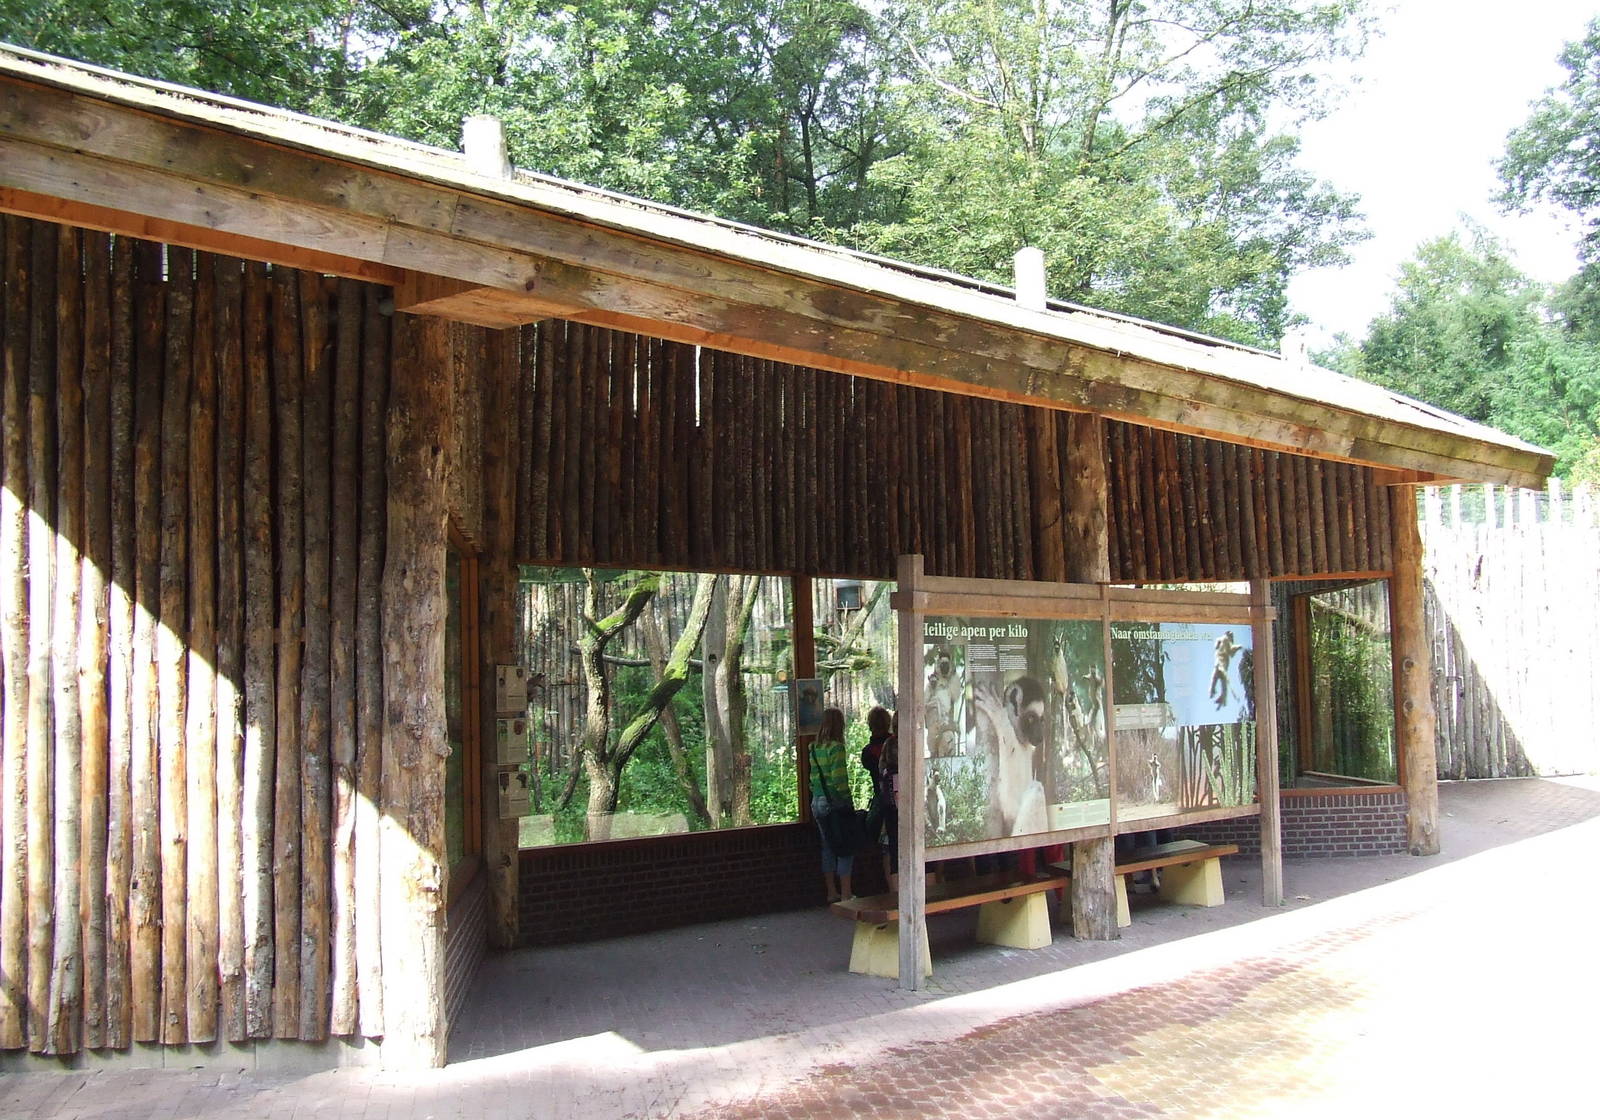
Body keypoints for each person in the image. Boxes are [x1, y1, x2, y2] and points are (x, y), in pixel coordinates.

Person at [809, 707, 854, 903]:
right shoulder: (836, 748)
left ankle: (831, 892)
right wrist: (846, 800)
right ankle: (846, 893)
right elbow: (839, 780)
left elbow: (813, 778)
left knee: (827, 846)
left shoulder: (813, 748)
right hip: (834, 802)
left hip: (816, 800)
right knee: (844, 845)